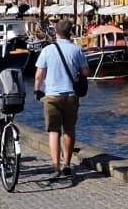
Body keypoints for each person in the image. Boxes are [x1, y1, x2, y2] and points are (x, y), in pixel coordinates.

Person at [34, 19, 90, 183]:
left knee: (53, 132)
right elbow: (86, 72)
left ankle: (55, 167)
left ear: (55, 32)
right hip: (71, 95)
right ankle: (67, 165)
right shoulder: (76, 50)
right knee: (69, 130)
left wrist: (37, 90)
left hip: (51, 96)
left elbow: (39, 75)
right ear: (70, 32)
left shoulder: (47, 50)